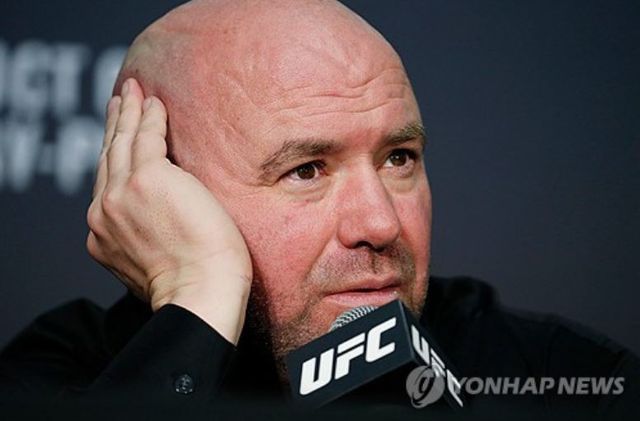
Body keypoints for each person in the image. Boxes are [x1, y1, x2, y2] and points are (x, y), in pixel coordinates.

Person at [0, 0, 638, 419]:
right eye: (306, 170)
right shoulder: (64, 375)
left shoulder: (555, 380)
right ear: (166, 191)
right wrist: (200, 294)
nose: (380, 224)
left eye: (399, 158)